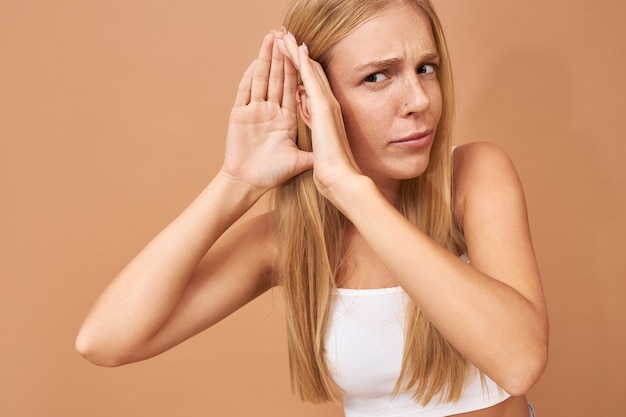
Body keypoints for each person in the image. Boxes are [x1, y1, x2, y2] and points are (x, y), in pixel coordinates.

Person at [76, 0, 548, 415]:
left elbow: (518, 361)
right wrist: (234, 183)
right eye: (376, 77)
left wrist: (350, 189)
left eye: (425, 67)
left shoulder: (472, 177)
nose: (419, 100)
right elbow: (104, 340)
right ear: (314, 103)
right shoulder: (286, 240)